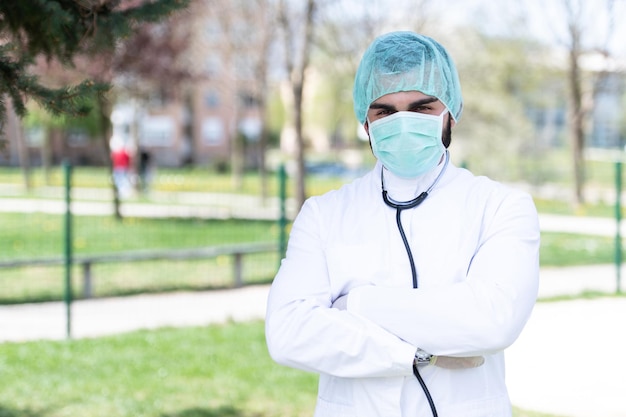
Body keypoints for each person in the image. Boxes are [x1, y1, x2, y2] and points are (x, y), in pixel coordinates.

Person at [265, 31, 540, 417]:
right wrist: (415, 355)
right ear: (365, 122)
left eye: (422, 108)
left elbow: (493, 322)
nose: (403, 123)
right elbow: (288, 333)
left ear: (451, 113)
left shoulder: (501, 208)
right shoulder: (323, 215)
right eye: (385, 112)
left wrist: (356, 303)